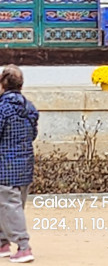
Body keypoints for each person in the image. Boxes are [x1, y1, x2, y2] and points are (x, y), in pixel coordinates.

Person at [0, 65, 38, 263]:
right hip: (25, 164)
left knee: (9, 206)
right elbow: (33, 134)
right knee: (10, 206)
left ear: (3, 84)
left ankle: (23, 246)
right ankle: (2, 242)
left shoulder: (2, 108)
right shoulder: (29, 107)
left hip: (4, 165)